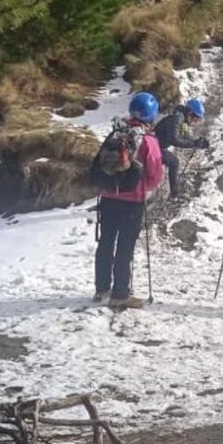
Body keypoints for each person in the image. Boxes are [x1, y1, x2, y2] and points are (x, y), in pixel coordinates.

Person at [94, 92, 164, 309]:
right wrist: (147, 188)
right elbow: (154, 174)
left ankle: (101, 288)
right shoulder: (147, 139)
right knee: (125, 246)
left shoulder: (115, 134)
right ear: (151, 115)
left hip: (107, 197)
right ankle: (120, 294)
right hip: (132, 201)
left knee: (105, 242)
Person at [154, 98, 209, 199]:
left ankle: (173, 193)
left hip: (157, 147)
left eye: (197, 120)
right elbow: (175, 140)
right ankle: (174, 194)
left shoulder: (180, 119)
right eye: (194, 118)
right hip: (154, 148)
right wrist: (194, 144)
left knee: (173, 162)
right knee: (174, 162)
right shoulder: (177, 119)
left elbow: (185, 137)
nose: (194, 121)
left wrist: (198, 141)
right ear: (190, 113)